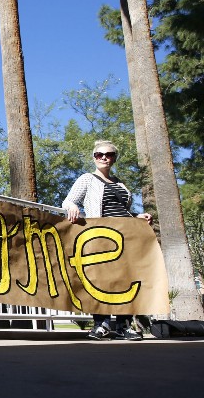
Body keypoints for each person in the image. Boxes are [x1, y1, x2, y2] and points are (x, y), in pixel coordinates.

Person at [62, 140, 153, 341]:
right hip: (101, 235)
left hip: (125, 237)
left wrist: (138, 216)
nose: (104, 157)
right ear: (94, 158)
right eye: (99, 154)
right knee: (101, 280)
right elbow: (69, 200)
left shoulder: (120, 184)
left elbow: (124, 211)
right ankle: (101, 324)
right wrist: (72, 208)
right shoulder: (87, 179)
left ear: (114, 158)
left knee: (124, 281)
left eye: (109, 154)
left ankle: (123, 326)